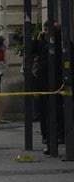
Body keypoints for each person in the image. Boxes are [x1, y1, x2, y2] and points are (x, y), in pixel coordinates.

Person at [31, 21, 64, 155]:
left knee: (53, 114)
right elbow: (32, 49)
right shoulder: (43, 44)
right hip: (46, 85)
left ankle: (54, 139)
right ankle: (49, 139)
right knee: (46, 114)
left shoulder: (61, 45)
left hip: (56, 85)